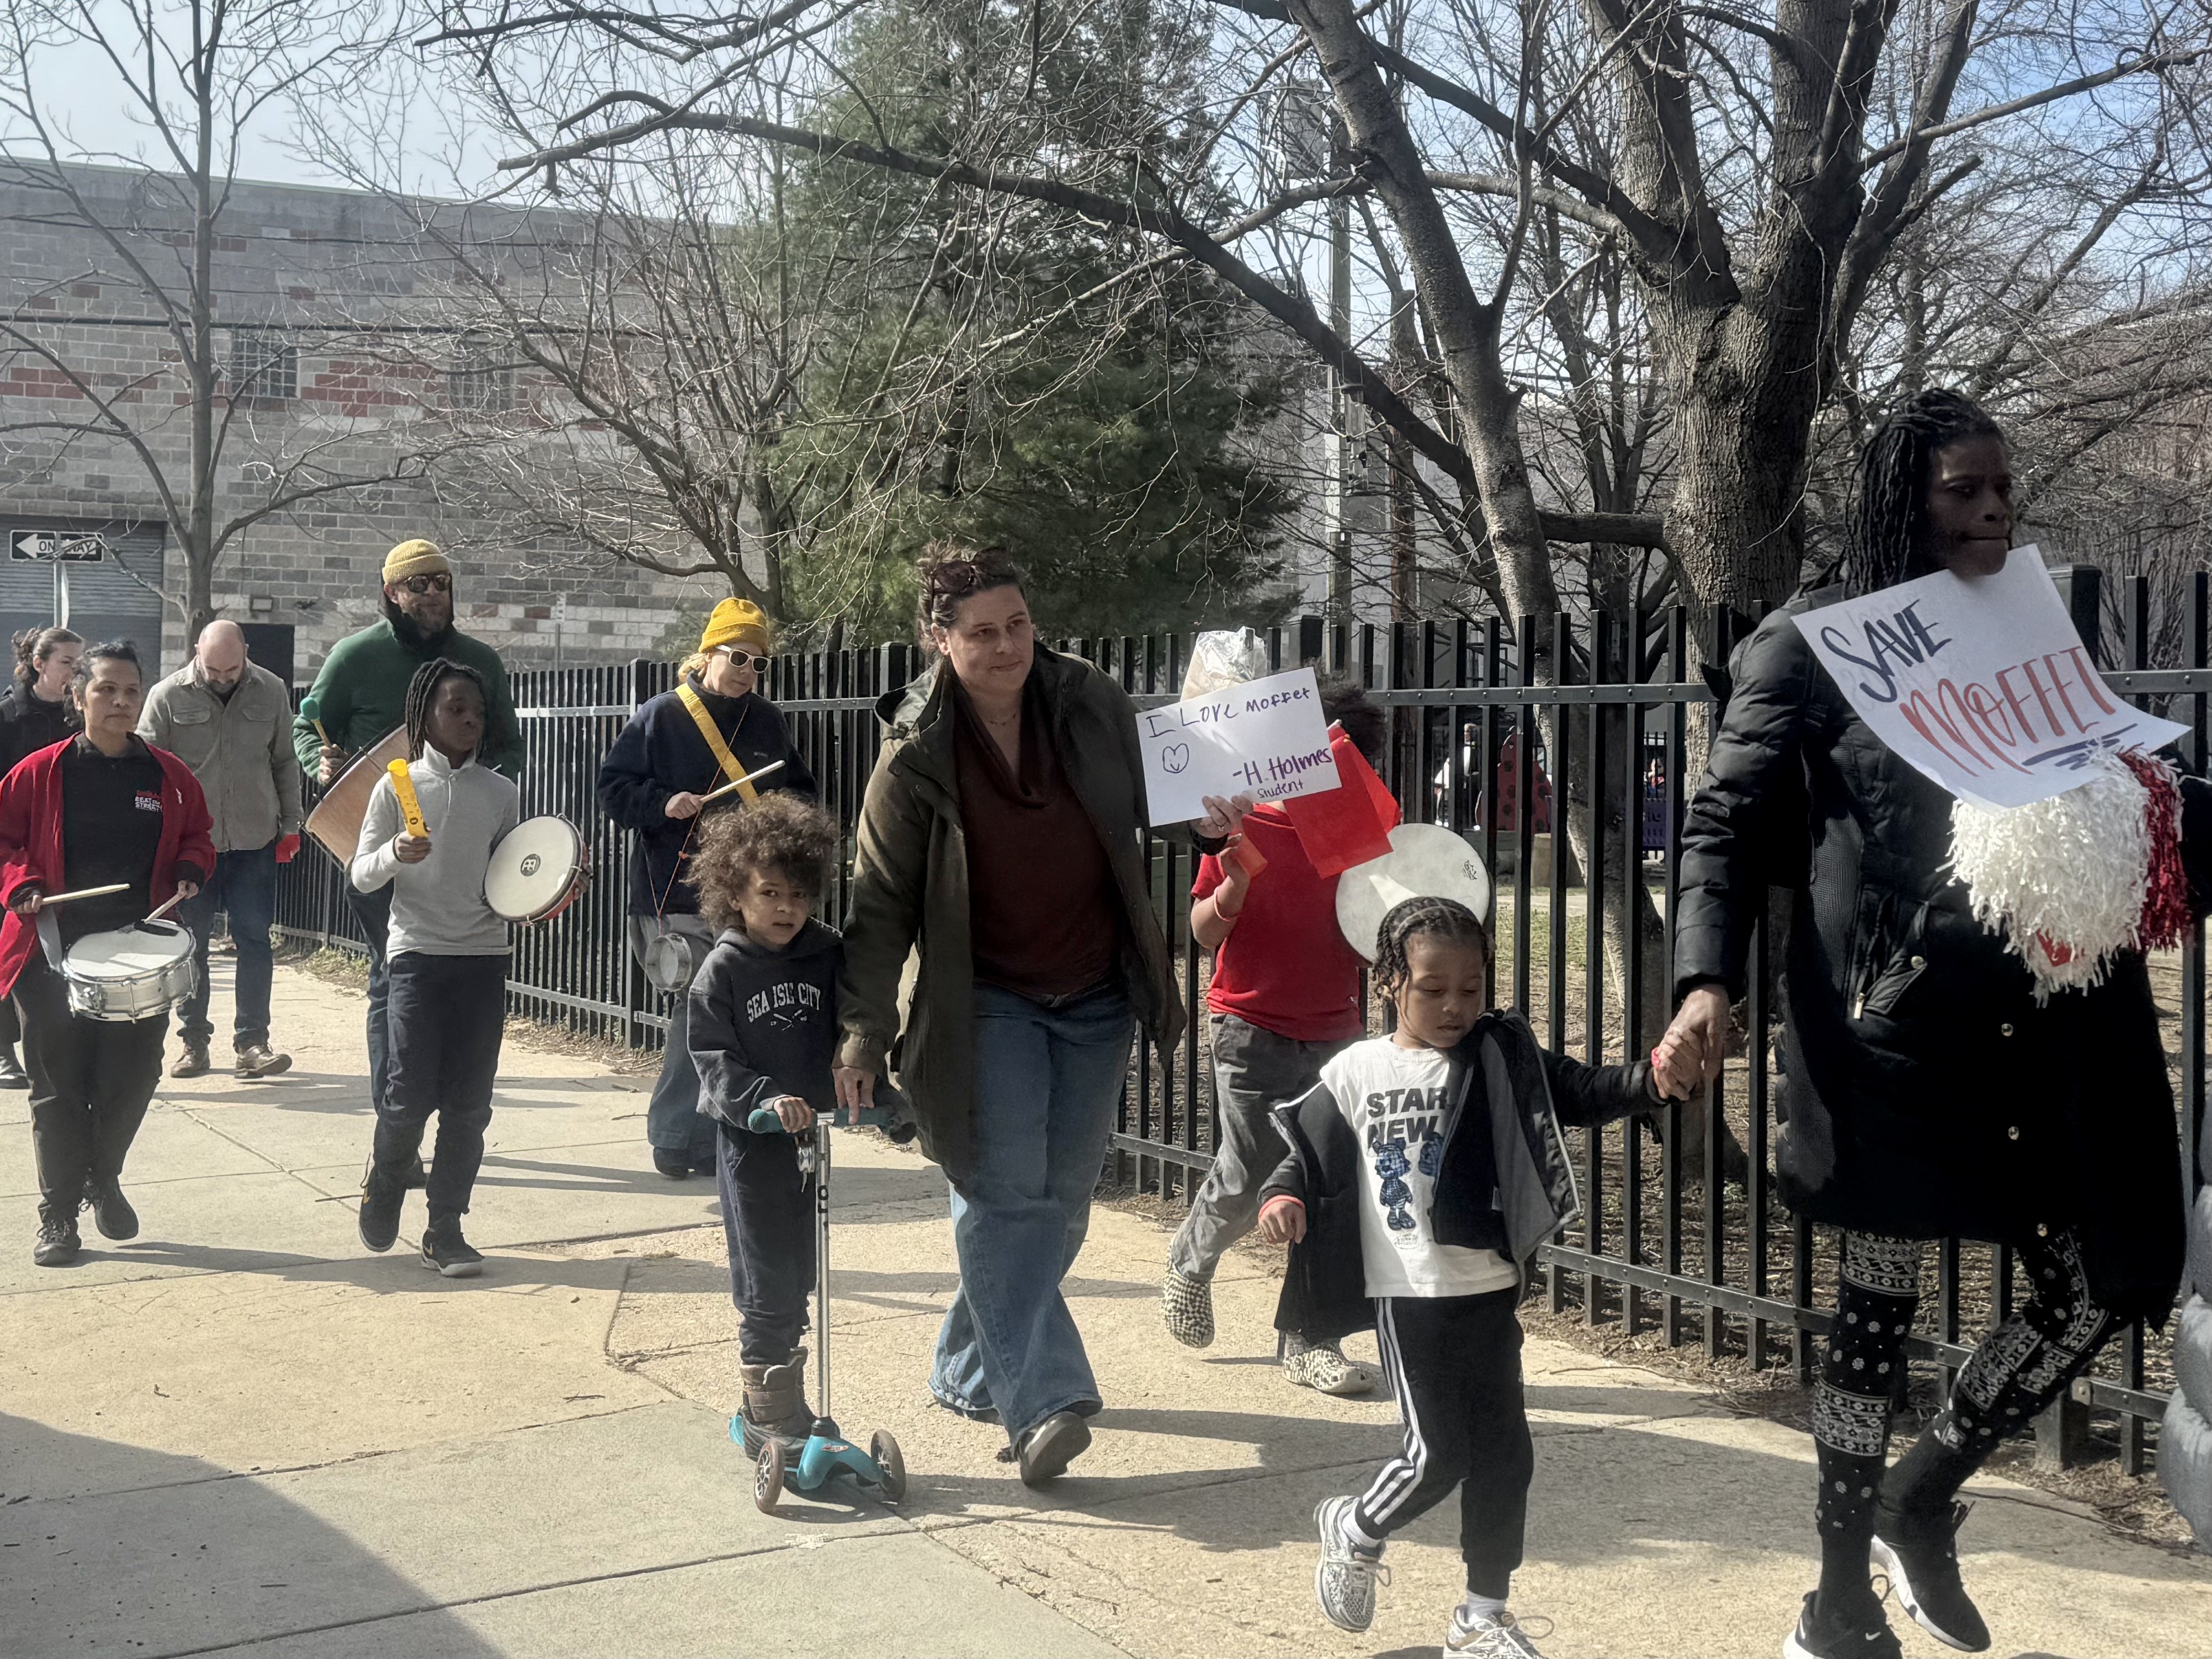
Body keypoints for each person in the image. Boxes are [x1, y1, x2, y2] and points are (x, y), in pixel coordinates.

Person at [1657, 388, 2212, 1659]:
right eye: (1963, 491)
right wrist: (1704, 983)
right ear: (1900, 500)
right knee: (1873, 1308)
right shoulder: (1809, 646)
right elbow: (1721, 829)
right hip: (1886, 1041)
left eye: (2002, 490)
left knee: (2100, 1283)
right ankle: (1838, 1595)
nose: (1991, 511)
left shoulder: (2029, 633)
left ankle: (1923, 1493)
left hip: (2039, 1030)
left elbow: (2097, 785)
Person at [834, 541, 1237, 1487]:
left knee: (1058, 1210)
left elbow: (1153, 788)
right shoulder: (912, 755)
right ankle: (1044, 1399)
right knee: (1003, 1194)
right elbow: (879, 903)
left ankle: (969, 1366)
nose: (1008, 645)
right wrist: (861, 1032)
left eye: (1018, 624)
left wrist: (1205, 820)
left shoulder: (1084, 697)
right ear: (939, 640)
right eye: (981, 633)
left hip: (1094, 990)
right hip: (987, 1001)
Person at [1259, 897, 1668, 1659]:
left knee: (1506, 1455)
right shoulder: (1357, 1070)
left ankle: (1479, 1617)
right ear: (1388, 983)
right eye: (1432, 987)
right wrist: (1280, 1195)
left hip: (1486, 1288)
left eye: (1471, 988)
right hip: (1408, 1297)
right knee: (1436, 1452)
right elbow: (1302, 1154)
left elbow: (1577, 1090)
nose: (1454, 1005)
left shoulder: (1497, 1056)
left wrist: (1652, 1080)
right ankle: (1354, 1525)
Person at [1161, 673, 1389, 1397]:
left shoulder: (1362, 836)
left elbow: (1373, 934)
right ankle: (1191, 1261)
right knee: (1252, 1170)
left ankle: (1309, 1338)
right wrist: (1231, 886)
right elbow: (1201, 931)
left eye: (1343, 749)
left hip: (1336, 1035)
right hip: (1248, 1026)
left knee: (1326, 1188)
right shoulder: (1237, 820)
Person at [293, 539, 521, 1136]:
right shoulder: (355, 655)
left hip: (462, 854)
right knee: (391, 976)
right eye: (417, 585)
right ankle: (395, 1120)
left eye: (441, 583)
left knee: (451, 986)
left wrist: (487, 794)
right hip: (381, 846)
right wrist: (319, 757)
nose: (432, 595)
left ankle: (441, 1110)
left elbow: (510, 745)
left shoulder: (479, 662)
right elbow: (308, 722)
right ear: (390, 593)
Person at [0, 641, 213, 1266]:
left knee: (134, 1077)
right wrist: (24, 884)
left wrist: (189, 867)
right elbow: (5, 839)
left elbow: (198, 833)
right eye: (106, 690)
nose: (120, 702)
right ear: (78, 695)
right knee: (58, 1088)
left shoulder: (168, 776)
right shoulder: (40, 771)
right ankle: (58, 1216)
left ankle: (104, 1174)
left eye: (130, 691)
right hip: (52, 950)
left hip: (136, 952)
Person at [597, 598, 817, 1178]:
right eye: (739, 656)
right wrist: (662, 803)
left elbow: (801, 792)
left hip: (752, 894)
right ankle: (675, 1137)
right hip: (679, 895)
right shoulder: (661, 714)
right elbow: (613, 787)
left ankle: (716, 1134)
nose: (748, 670)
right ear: (708, 653)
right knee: (703, 1010)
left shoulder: (767, 720)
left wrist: (786, 823)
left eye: (759, 662)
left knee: (732, 1013)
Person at [350, 659, 520, 1279]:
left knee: (470, 1107)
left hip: (483, 956)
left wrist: (554, 885)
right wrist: (395, 852)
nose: (470, 720)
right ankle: (387, 1178)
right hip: (417, 954)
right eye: (455, 708)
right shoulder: (395, 786)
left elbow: (513, 878)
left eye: (477, 710)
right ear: (425, 715)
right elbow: (359, 872)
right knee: (407, 1097)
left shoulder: (502, 793)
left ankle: (445, 1228)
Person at [686, 792, 843, 1450]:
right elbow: (711, 1055)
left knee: (803, 1271)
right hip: (752, 1143)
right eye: (770, 892)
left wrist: (881, 1097)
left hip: (810, 1144)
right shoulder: (723, 969)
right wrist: (761, 1098)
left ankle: (781, 1399)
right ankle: (768, 1407)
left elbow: (851, 1029)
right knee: (764, 1277)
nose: (785, 908)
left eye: (799, 894)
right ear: (735, 892)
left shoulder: (827, 953)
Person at [140, 620, 301, 1080]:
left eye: (233, 668)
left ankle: (253, 1042)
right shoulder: (167, 696)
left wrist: (291, 824)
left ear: (246, 652)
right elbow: (147, 772)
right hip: (194, 847)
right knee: (193, 946)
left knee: (255, 941)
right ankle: (193, 1043)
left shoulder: (271, 690)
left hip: (254, 838)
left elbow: (284, 760)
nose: (224, 676)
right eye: (214, 668)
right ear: (197, 652)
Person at [0, 625, 82, 1090]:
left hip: (64, 853)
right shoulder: (8, 718)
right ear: (40, 665)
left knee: (53, 957)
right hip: (12, 854)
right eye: (68, 662)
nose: (77, 670)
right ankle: (3, 1049)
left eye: (79, 661)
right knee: (9, 952)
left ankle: (54, 1046)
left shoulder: (79, 718)